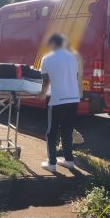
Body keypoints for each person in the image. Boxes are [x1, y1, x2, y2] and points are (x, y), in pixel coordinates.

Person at [38, 34, 80, 172]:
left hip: (57, 99)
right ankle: (69, 161)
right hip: (73, 98)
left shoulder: (47, 58)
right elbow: (75, 77)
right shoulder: (73, 58)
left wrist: (42, 93)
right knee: (67, 131)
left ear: (52, 44)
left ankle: (52, 164)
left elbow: (45, 80)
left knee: (52, 132)